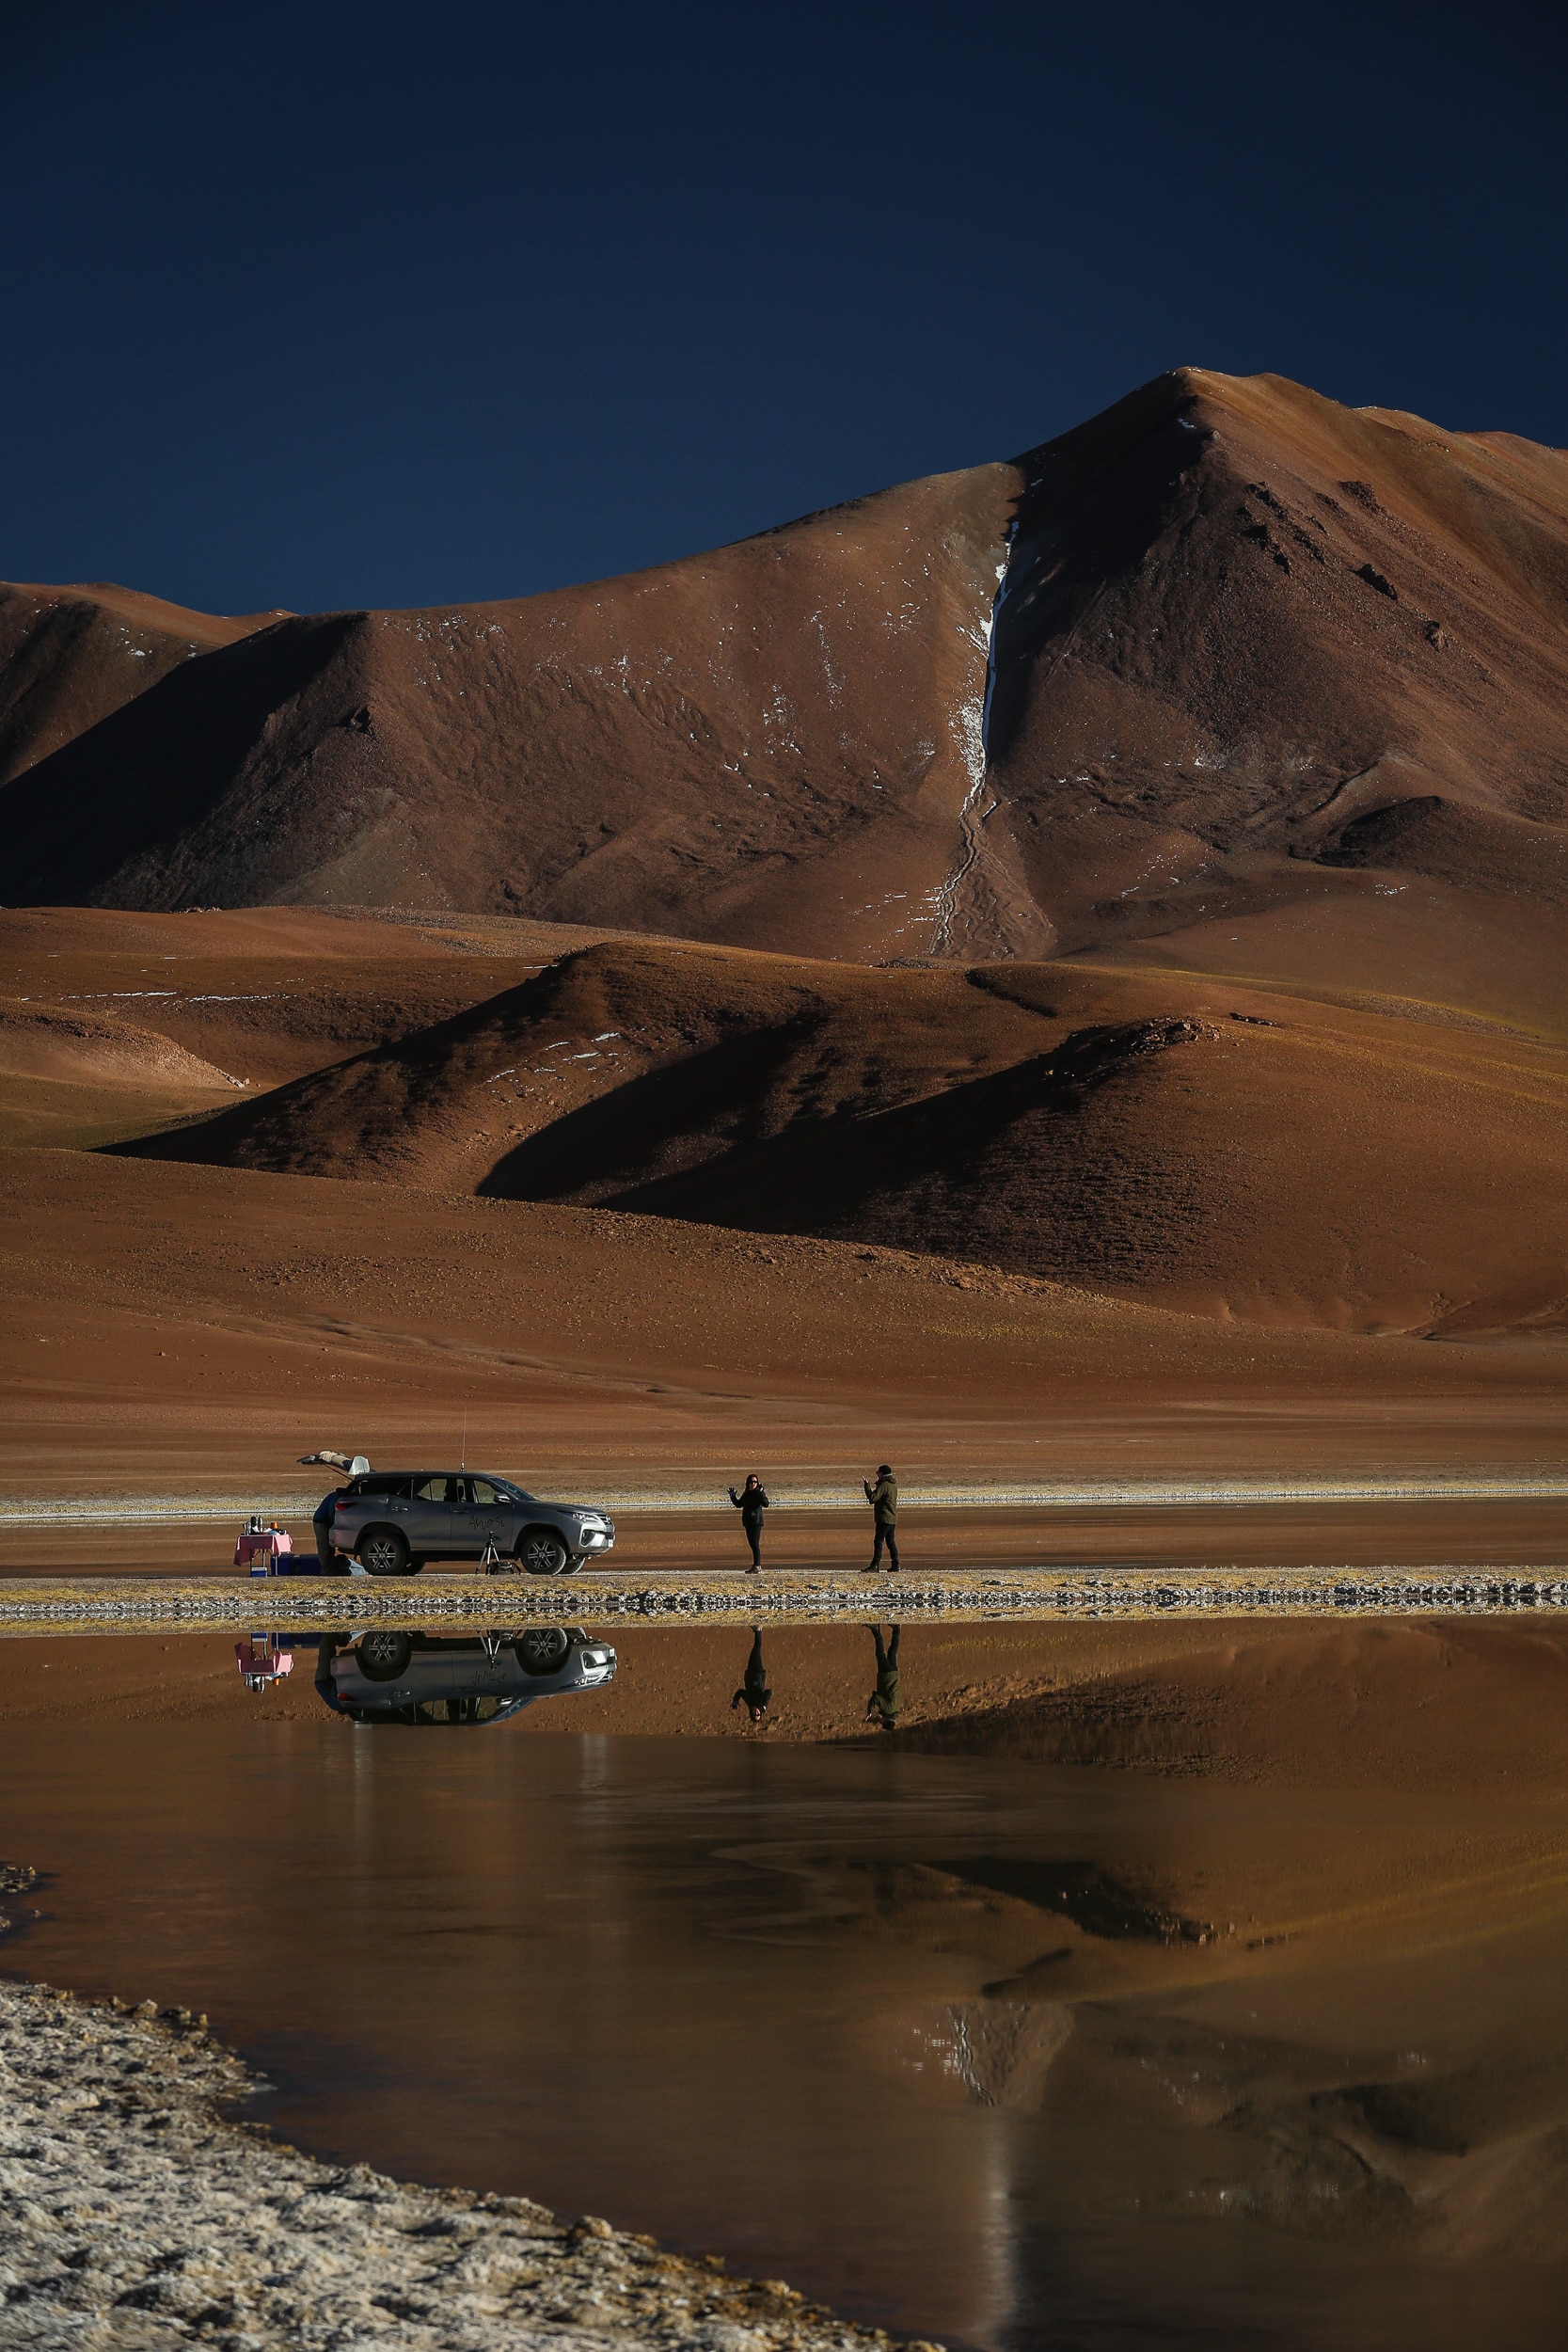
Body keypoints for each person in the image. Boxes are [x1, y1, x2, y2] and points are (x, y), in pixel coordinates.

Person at [728, 1473, 770, 1570]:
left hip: (756, 1522)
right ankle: (755, 1565)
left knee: (755, 1544)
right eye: (751, 1482)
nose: (753, 1484)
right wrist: (733, 1497)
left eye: (755, 1482)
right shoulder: (747, 1494)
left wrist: (761, 1493)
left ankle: (757, 1566)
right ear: (748, 1483)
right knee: (752, 1544)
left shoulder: (758, 1493)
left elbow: (766, 1504)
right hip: (748, 1522)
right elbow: (739, 1504)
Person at [862, 1464, 899, 1574]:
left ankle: (874, 1565)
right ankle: (895, 1564)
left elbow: (873, 1498)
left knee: (878, 1541)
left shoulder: (884, 1485)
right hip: (892, 1518)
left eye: (878, 1472)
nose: (877, 1474)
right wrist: (879, 1484)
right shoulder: (893, 1485)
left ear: (882, 1473)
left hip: (884, 1518)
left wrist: (867, 1485)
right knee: (890, 1541)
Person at [731, 1629, 772, 1724]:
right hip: (758, 1673)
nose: (756, 1713)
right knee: (756, 1650)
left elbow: (741, 1692)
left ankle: (757, 1631)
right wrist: (763, 1704)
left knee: (754, 1651)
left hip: (750, 1673)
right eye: (758, 1714)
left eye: (754, 1714)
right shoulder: (761, 1704)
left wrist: (735, 1701)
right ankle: (758, 1630)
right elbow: (768, 1692)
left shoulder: (749, 1702)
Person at [865, 1624, 901, 1729]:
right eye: (882, 1721)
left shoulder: (896, 1710)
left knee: (892, 1653)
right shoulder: (888, 1710)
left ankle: (897, 1630)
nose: (880, 1720)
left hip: (894, 1675)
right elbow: (876, 1698)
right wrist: (870, 1711)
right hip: (886, 1677)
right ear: (886, 1720)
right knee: (880, 1654)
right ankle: (876, 1631)